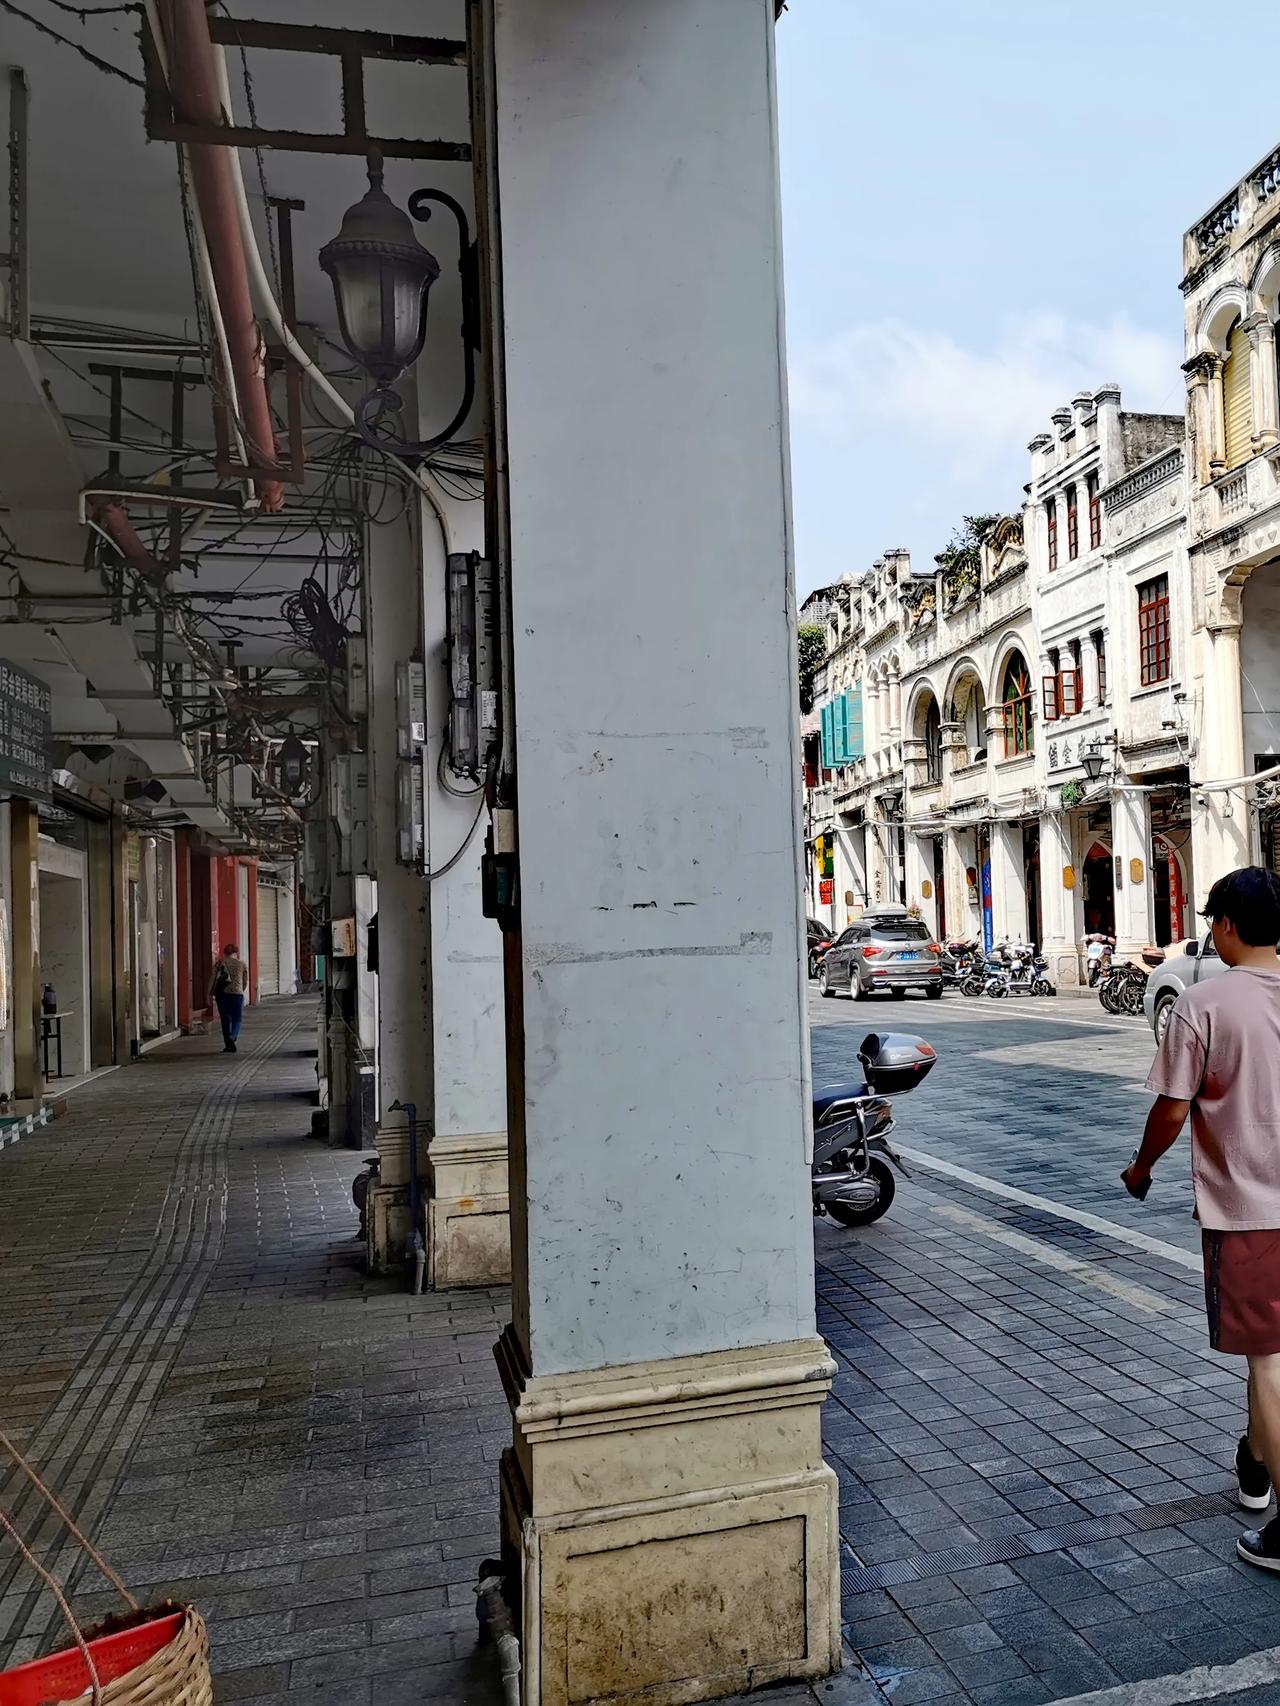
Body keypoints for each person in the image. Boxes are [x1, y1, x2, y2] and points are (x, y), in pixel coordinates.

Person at [1122, 866, 1280, 1570]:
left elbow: (1173, 1108)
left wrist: (1141, 1166)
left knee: (1270, 1359)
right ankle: (1256, 1461)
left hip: (1252, 1215)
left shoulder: (1204, 1003)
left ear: (1223, 925)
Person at [210, 942, 249, 1055]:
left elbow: (213, 979)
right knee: (237, 1018)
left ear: (225, 952)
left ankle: (228, 1044)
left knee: (225, 1020)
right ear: (236, 953)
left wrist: (209, 993)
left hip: (222, 995)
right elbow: (245, 981)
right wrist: (241, 989)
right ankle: (233, 1036)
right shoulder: (241, 964)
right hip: (237, 994)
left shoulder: (220, 963)